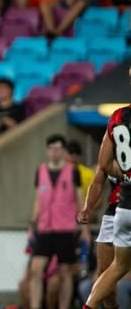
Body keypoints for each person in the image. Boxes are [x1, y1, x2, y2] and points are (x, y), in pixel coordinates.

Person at [83, 89, 131, 308]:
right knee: (106, 271)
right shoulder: (117, 122)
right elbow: (103, 168)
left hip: (124, 205)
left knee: (116, 269)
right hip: (117, 206)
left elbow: (107, 165)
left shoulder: (119, 119)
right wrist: (88, 207)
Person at [29, 134, 84, 309]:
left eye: (58, 149)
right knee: (36, 268)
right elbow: (38, 199)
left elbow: (80, 200)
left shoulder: (72, 171)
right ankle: (35, 306)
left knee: (65, 271)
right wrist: (32, 223)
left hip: (65, 229)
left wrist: (83, 227)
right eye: (51, 149)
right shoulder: (41, 170)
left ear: (63, 151)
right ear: (47, 150)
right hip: (45, 228)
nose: (54, 152)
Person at [78, 167, 121, 309]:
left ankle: (89, 306)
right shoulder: (110, 145)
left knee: (120, 266)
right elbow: (99, 177)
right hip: (114, 211)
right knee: (103, 272)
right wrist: (87, 207)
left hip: (127, 211)